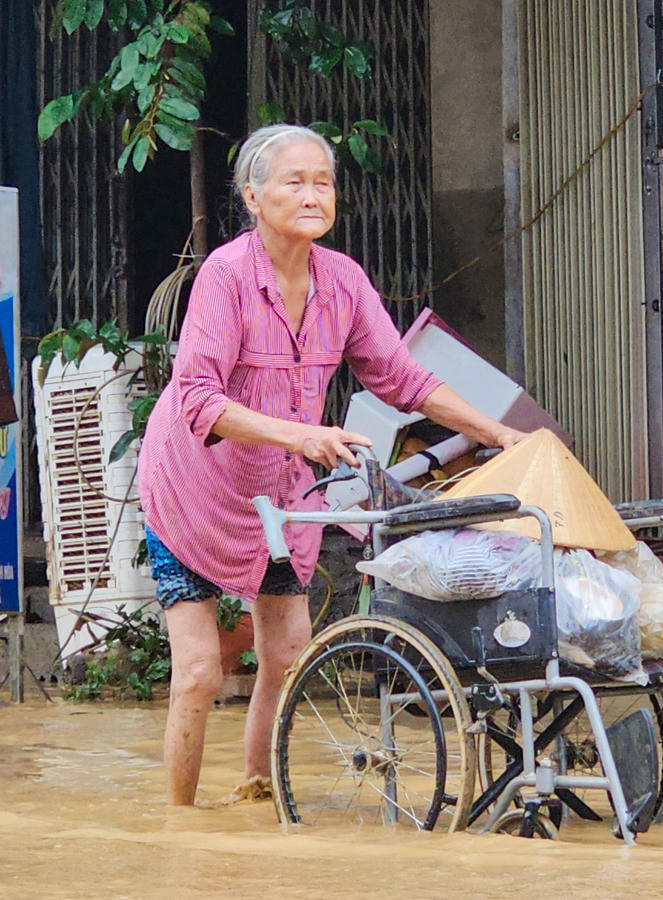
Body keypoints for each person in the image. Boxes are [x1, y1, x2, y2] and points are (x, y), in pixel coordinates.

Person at [137, 124, 526, 806]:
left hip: (280, 498)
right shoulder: (225, 278)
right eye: (295, 181)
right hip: (192, 490)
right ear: (253, 197)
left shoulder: (343, 280)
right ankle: (181, 830)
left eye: (324, 182)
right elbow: (199, 401)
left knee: (286, 656)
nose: (314, 194)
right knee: (198, 672)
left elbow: (403, 379)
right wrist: (299, 435)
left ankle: (259, 794)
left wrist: (497, 430)